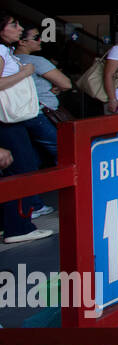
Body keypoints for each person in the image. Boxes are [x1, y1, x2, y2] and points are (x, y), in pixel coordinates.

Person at [0, 13, 57, 243]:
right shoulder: (2, 51)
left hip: (12, 120)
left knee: (18, 168)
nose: (19, 28)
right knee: (22, 170)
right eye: (13, 24)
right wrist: (26, 71)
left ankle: (10, 224)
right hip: (8, 120)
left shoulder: (6, 51)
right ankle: (19, 227)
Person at [15, 26, 73, 123]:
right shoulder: (36, 61)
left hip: (18, 112)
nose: (40, 40)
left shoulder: (8, 60)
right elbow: (66, 84)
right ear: (22, 42)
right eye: (36, 37)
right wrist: (57, 86)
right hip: (41, 113)